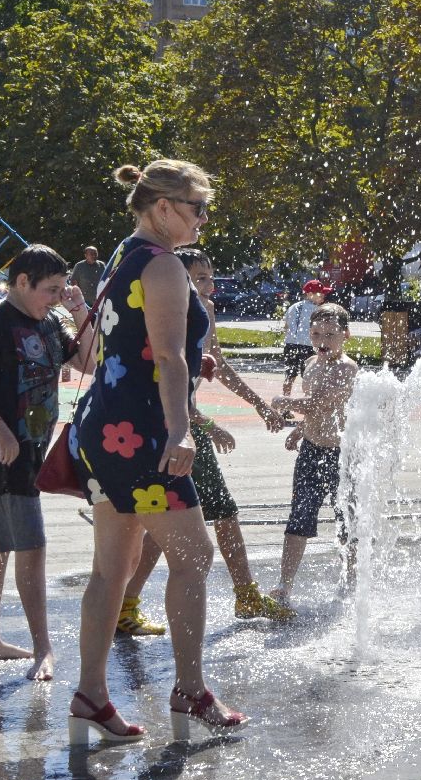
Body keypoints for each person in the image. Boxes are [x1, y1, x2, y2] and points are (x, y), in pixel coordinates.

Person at [67, 160, 247, 743]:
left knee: (110, 568)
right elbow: (167, 358)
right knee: (194, 556)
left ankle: (91, 695)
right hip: (143, 432)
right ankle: (190, 691)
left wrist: (194, 365)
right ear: (164, 207)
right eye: (198, 207)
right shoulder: (166, 264)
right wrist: (181, 430)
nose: (203, 218)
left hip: (103, 424)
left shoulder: (126, 253)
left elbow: (128, 343)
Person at [115, 248, 293, 636]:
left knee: (169, 523)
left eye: (210, 278)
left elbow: (218, 364)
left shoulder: (204, 311)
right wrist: (206, 424)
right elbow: (167, 379)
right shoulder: (167, 310)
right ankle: (244, 595)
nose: (209, 286)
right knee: (215, 513)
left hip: (184, 428)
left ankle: (125, 605)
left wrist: (259, 404)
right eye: (200, 279)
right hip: (173, 430)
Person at [0, 246, 96, 680]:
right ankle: (43, 649)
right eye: (51, 290)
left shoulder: (52, 321)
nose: (57, 297)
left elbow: (90, 362)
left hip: (30, 447)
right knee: (32, 546)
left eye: (62, 290)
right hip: (2, 448)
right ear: (22, 282)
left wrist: (79, 311)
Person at [269, 303, 359, 605]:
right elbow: (317, 411)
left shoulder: (347, 368)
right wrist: (301, 430)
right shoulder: (310, 363)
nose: (322, 340)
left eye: (331, 335)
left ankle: (352, 580)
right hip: (311, 450)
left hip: (341, 455)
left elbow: (320, 402)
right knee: (299, 516)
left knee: (347, 518)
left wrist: (284, 402)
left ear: (345, 335)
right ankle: (284, 584)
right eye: (316, 333)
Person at [280, 280, 331, 398]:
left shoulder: (293, 307)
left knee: (289, 375)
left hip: (290, 345)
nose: (323, 295)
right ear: (309, 294)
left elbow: (286, 327)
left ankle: (285, 403)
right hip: (308, 346)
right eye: (320, 293)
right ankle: (309, 406)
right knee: (309, 377)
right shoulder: (318, 310)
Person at [68, 247, 103, 313]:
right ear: (86, 255)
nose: (94, 256)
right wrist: (76, 299)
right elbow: (73, 282)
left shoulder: (101, 266)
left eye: (95, 254)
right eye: (91, 254)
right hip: (85, 301)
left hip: (98, 300)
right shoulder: (79, 266)